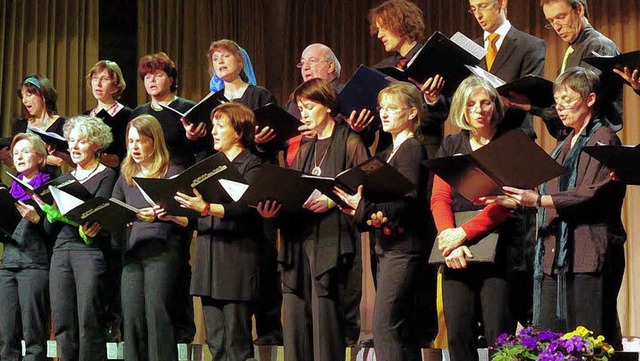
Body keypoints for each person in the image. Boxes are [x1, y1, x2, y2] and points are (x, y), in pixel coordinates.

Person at [483, 67, 626, 349]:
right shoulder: (563, 144)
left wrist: (537, 201)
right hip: (554, 257)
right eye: (557, 100)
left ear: (590, 99)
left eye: (568, 99)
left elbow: (590, 193)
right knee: (549, 341)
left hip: (587, 253)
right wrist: (514, 201)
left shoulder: (604, 138)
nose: (560, 107)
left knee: (588, 342)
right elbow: (548, 191)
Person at [257, 78, 369, 361]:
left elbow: (364, 186)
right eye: (300, 108)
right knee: (296, 319)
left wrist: (333, 198)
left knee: (325, 318)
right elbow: (293, 187)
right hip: (298, 238)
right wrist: (274, 208)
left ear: (328, 106)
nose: (303, 114)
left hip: (330, 239)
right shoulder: (305, 147)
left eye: (309, 107)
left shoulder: (350, 141)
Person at [334, 82, 437, 361]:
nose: (384, 114)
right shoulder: (387, 153)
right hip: (388, 246)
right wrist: (360, 208)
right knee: (399, 329)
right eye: (382, 108)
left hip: (405, 248)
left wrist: (363, 207)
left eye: (392, 108)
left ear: (412, 112)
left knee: (386, 326)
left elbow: (409, 199)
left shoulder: (413, 149)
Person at [430, 76, 520, 361]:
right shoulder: (452, 144)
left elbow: (506, 203)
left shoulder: (511, 142)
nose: (479, 109)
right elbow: (440, 198)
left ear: (495, 106)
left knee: (500, 337)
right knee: (459, 335)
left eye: (485, 102)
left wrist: (463, 233)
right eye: (471, 104)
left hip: (500, 251)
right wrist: (450, 241)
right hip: (456, 252)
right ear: (462, 109)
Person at [207, 39, 284, 346]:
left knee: (262, 255)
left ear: (241, 62)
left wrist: (262, 140)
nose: (221, 61)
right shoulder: (211, 101)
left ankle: (269, 330)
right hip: (222, 184)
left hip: (255, 180)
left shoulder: (259, 95)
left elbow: (274, 142)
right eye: (215, 58)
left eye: (226, 56)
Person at [174, 103, 263, 361]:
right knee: (216, 343)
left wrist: (206, 207)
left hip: (235, 260)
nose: (213, 132)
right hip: (208, 260)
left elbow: (245, 209)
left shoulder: (251, 165)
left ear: (237, 132)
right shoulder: (208, 165)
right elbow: (195, 210)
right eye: (213, 126)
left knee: (237, 344)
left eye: (220, 126)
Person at [131, 52, 209, 343]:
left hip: (178, 190)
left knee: (176, 261)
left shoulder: (187, 109)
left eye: (158, 74)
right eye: (147, 76)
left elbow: (203, 155)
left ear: (171, 79)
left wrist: (194, 138)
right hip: (145, 191)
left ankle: (183, 330)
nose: (152, 80)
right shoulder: (138, 113)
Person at [112, 114, 191, 361]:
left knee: (158, 314)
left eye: (140, 141)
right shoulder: (126, 176)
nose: (134, 147)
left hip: (164, 251)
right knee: (132, 316)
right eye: (130, 141)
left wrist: (167, 215)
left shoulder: (174, 172)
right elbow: (115, 209)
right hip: (135, 252)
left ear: (153, 141)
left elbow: (190, 220)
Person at [44, 115, 116, 361]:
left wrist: (93, 224)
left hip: (89, 251)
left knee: (89, 318)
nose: (73, 147)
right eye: (71, 141)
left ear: (96, 144)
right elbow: (47, 227)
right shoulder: (62, 181)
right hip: (61, 251)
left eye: (81, 141)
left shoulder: (107, 175)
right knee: (63, 319)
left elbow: (102, 214)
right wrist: (47, 210)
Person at [512, 0, 623, 139]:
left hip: (591, 139)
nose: (557, 26)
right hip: (575, 138)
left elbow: (579, 102)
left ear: (579, 10)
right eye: (551, 21)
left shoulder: (597, 47)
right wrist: (532, 106)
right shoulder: (574, 49)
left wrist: (536, 109)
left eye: (561, 17)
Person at [0, 133, 51, 361]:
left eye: (26, 151)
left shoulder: (50, 188)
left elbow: (56, 230)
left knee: (34, 334)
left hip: (35, 264)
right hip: (8, 264)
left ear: (39, 157)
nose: (19, 156)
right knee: (6, 334)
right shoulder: (8, 191)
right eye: (16, 152)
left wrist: (38, 218)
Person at [368, 0, 442, 158]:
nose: (379, 35)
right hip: (389, 152)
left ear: (400, 24)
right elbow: (376, 121)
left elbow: (443, 112)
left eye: (384, 28)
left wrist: (432, 99)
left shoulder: (433, 58)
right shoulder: (381, 69)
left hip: (425, 150)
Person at [0, 75, 67, 176]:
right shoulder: (21, 125)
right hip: (24, 183)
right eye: (22, 96)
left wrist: (31, 157)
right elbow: (15, 164)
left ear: (43, 95)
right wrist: (6, 158)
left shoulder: (61, 123)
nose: (24, 100)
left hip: (49, 182)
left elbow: (59, 160)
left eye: (29, 95)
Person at [85, 60, 132, 169]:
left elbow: (125, 156)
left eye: (104, 79)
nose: (98, 83)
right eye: (95, 78)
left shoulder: (127, 115)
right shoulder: (86, 116)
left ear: (115, 85)